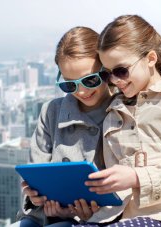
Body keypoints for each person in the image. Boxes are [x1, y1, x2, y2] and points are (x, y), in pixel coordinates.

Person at [73, 15, 161, 227]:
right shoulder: (113, 111)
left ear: (151, 59)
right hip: (120, 218)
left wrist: (137, 177)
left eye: (121, 70)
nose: (116, 80)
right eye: (108, 74)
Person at [13, 26, 113, 226]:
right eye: (70, 84)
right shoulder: (51, 112)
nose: (82, 91)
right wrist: (35, 197)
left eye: (90, 80)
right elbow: (36, 170)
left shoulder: (121, 113)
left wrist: (89, 213)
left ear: (106, 70)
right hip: (42, 217)